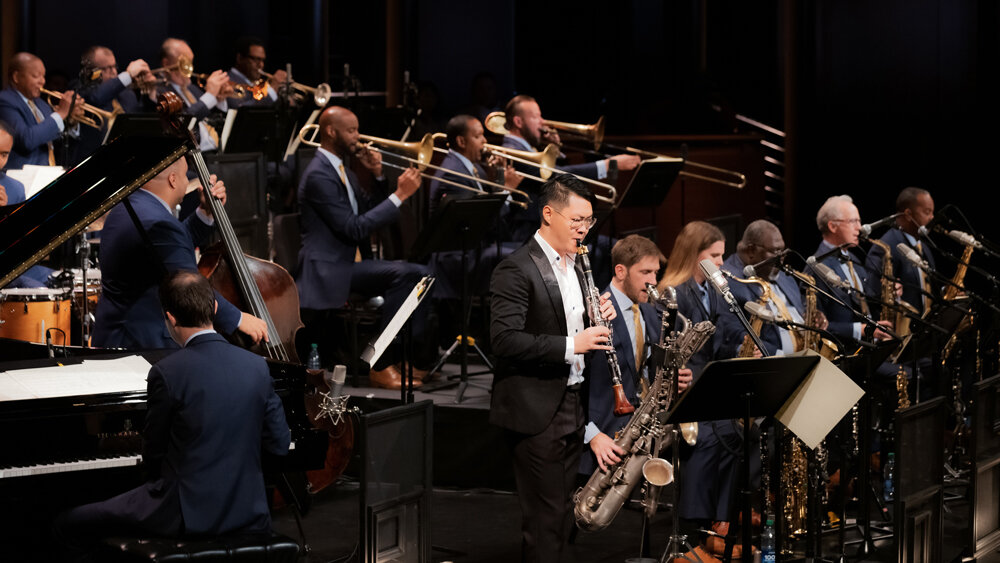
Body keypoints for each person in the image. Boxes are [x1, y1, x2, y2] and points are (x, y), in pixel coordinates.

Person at [54, 270, 290, 559]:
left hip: (183, 516)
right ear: (215, 308)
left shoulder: (167, 373)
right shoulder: (257, 367)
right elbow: (279, 443)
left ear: (171, 318)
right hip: (248, 513)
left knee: (69, 522)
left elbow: (154, 456)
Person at [489, 173, 615, 563]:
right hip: (535, 410)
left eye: (589, 221)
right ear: (548, 214)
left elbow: (572, 325)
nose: (584, 229)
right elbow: (504, 341)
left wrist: (600, 318)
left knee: (564, 516)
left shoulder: (577, 265)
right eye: (577, 220)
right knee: (544, 520)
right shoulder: (516, 269)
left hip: (572, 405)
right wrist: (571, 345)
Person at [295, 105, 429, 390]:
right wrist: (399, 194)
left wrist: (380, 177)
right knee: (410, 274)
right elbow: (354, 227)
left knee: (421, 275)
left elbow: (366, 212)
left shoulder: (343, 170)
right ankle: (378, 364)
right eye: (352, 131)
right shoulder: (319, 174)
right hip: (328, 267)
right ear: (331, 132)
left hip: (346, 263)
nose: (359, 137)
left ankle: (400, 357)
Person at [92, 156, 268, 349]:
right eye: (185, 175)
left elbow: (169, 250)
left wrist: (205, 212)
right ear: (173, 179)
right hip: (144, 344)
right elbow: (192, 290)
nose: (188, 182)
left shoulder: (126, 207)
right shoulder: (158, 222)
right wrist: (239, 318)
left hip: (114, 334)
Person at [656, 220, 747, 558]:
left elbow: (722, 342)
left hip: (709, 385)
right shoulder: (673, 292)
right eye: (715, 255)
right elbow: (663, 352)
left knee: (737, 433)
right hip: (682, 391)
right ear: (695, 256)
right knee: (709, 438)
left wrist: (739, 350)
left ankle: (720, 523)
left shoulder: (713, 290)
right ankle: (694, 529)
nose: (722, 263)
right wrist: (691, 373)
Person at [500, 94, 640, 246]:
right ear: (518, 122)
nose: (543, 122)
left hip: (546, 226)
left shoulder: (527, 148)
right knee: (608, 249)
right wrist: (606, 165)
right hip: (529, 231)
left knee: (613, 246)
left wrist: (556, 150)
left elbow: (554, 173)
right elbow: (556, 176)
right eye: (536, 117)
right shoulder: (513, 150)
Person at [580, 234, 666, 476]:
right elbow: (577, 380)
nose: (653, 281)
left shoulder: (649, 311)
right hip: (599, 440)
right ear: (620, 271)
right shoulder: (595, 311)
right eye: (646, 272)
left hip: (633, 437)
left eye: (656, 273)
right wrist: (591, 434)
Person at [718, 219, 828, 357]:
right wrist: (781, 356)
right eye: (775, 251)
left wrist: (812, 316)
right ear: (751, 250)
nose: (781, 257)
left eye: (782, 250)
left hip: (807, 354)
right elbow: (736, 334)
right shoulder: (729, 281)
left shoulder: (780, 273)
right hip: (775, 362)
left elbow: (801, 307)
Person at [0, 52, 86, 169]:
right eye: (36, 76)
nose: (42, 81)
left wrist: (70, 122)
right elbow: (26, 140)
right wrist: (61, 114)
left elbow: (54, 140)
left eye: (43, 76)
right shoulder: (5, 100)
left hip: (49, 172)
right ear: (16, 77)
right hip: (22, 176)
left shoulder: (42, 104)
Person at [69, 46, 149, 165]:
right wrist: (128, 75)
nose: (114, 72)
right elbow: (97, 97)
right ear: (92, 71)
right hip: (95, 163)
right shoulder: (81, 88)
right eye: (107, 68)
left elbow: (142, 125)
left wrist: (151, 92)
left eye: (114, 66)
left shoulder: (127, 94)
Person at [1, 119, 56, 287]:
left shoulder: (15, 188)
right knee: (35, 288)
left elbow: (20, 245)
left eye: (4, 154)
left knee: (61, 280)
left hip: (13, 266)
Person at [153, 38, 232, 154]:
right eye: (185, 62)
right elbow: (181, 121)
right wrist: (210, 95)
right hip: (192, 157)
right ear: (166, 63)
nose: (190, 68)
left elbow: (212, 119)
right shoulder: (160, 92)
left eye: (191, 62)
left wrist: (219, 99)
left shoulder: (192, 88)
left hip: (215, 153)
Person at [226, 36, 289, 108]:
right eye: (256, 59)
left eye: (262, 60)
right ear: (240, 58)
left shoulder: (258, 83)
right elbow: (241, 109)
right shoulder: (228, 81)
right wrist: (273, 88)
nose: (261, 65)